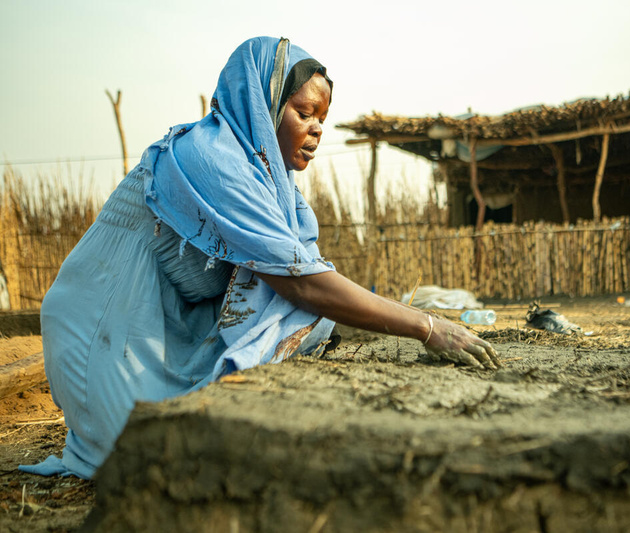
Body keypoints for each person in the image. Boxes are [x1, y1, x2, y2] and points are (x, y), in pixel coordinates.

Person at [20, 36, 499, 480]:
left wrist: (389, 318)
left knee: (298, 299)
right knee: (148, 458)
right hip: (103, 331)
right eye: (304, 112)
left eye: (322, 120)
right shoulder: (209, 158)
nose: (315, 130)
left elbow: (308, 270)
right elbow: (303, 282)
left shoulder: (270, 186)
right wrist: (428, 327)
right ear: (263, 104)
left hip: (160, 327)